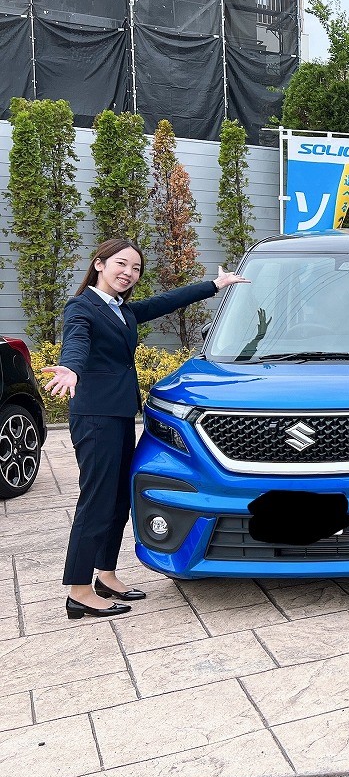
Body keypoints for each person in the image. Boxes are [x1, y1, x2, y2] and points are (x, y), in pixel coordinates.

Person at [41, 239, 249, 620]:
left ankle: (105, 574)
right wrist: (70, 368)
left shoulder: (121, 310)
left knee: (119, 497)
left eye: (135, 268)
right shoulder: (81, 307)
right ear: (99, 264)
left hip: (119, 414)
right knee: (96, 499)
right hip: (95, 418)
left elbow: (164, 302)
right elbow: (77, 342)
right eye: (121, 264)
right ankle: (78, 590)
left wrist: (214, 286)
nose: (129, 273)